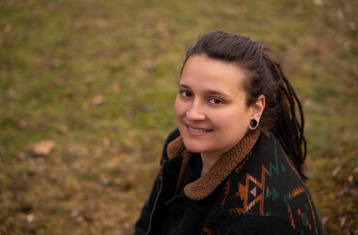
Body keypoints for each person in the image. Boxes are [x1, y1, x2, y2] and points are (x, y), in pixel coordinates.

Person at [133, 31, 325, 235]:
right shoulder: (179, 147)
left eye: (216, 100)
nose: (192, 113)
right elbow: (147, 226)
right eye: (186, 93)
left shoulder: (262, 222)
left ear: (256, 109)